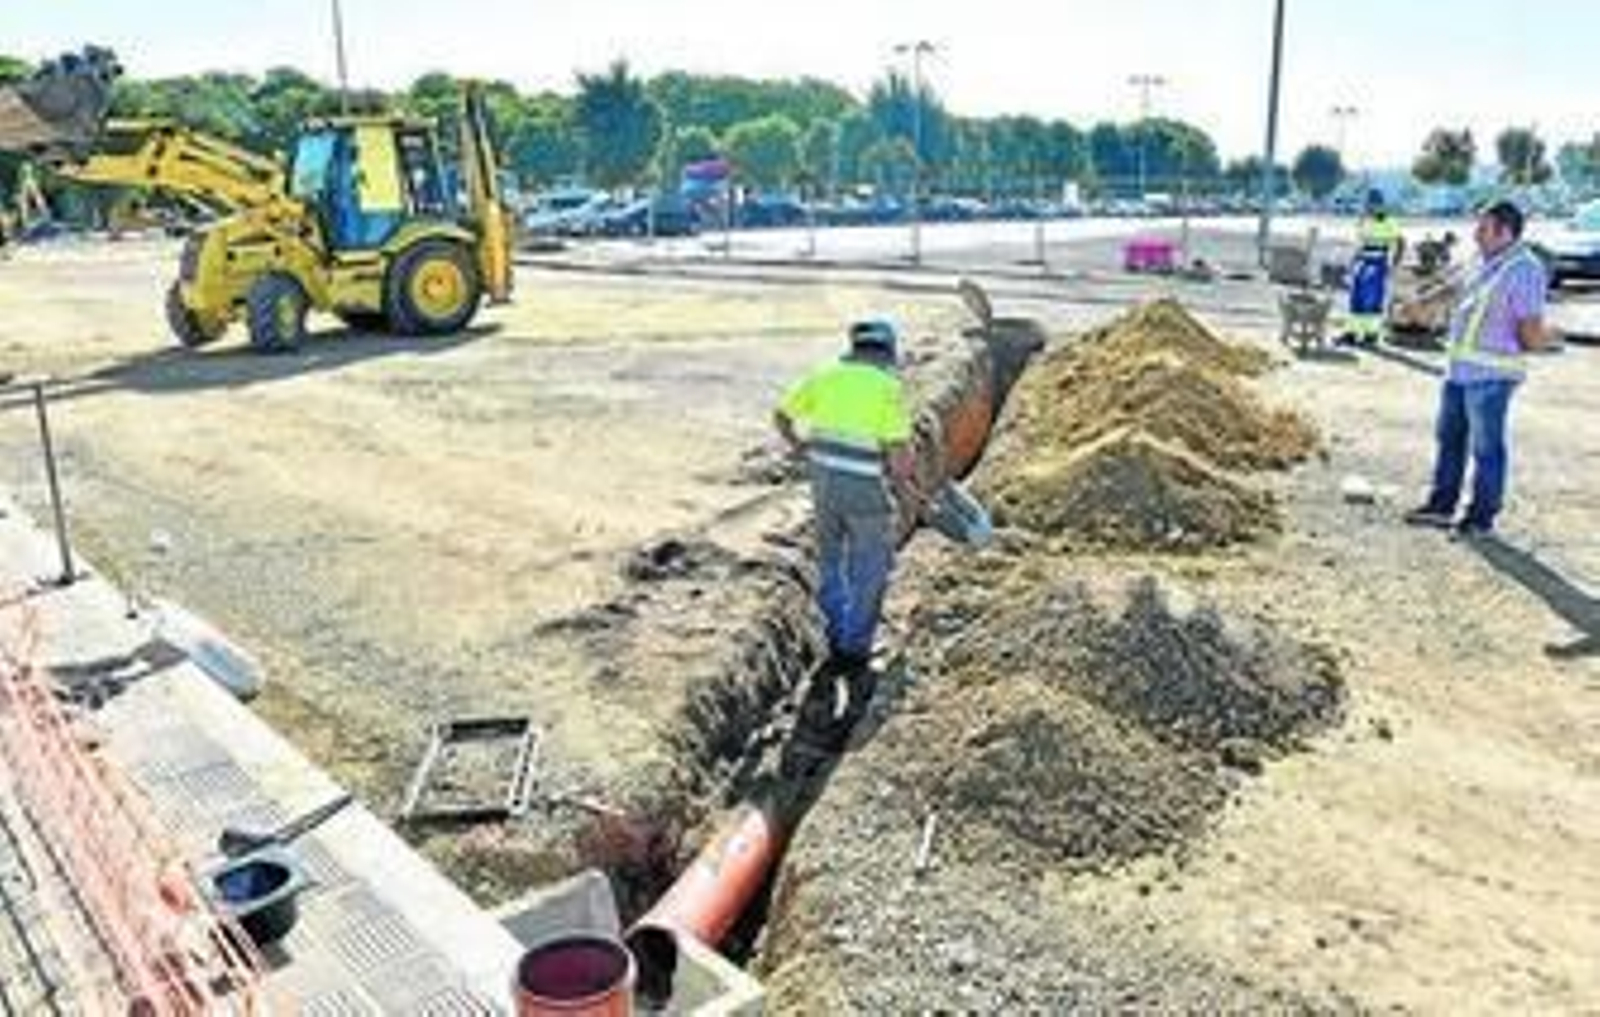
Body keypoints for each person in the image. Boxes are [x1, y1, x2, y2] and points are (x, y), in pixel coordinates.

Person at [774, 319, 916, 675]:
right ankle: (854, 649)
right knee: (870, 564)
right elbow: (899, 454)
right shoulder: (888, 387)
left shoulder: (824, 374)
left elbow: (782, 415)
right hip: (864, 486)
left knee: (832, 559)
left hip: (823, 484)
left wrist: (800, 446)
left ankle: (835, 634)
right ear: (886, 353)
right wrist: (905, 487)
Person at [1404, 199, 1551, 536]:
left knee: (1486, 449)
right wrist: (1422, 303)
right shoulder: (1482, 260)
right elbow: (1455, 288)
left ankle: (1480, 519)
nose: (1475, 234)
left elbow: (1530, 332)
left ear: (1506, 232)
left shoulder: (1524, 269)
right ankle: (1442, 506)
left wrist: (1545, 338)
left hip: (1492, 376)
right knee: (1450, 439)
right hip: (1459, 371)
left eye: (1483, 228)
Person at [1344, 196, 1405, 345]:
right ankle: (1352, 333)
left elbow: (1401, 242)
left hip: (1378, 262)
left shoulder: (1390, 222)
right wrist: (1352, 263)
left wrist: (1394, 264)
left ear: (1381, 206)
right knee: (1355, 297)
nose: (1370, 208)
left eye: (1374, 205)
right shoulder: (1364, 220)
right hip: (1362, 261)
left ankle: (1371, 334)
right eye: (1368, 205)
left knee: (1372, 299)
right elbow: (1359, 243)